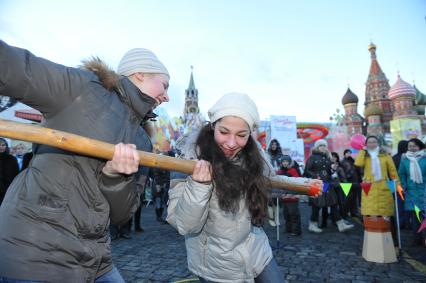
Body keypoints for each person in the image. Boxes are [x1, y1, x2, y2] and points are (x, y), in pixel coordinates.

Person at [0, 40, 170, 282]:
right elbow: (19, 68)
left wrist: (116, 176)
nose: (167, 96)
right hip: (35, 249)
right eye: (164, 85)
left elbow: (123, 214)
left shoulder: (142, 141)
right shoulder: (83, 89)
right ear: (140, 73)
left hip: (96, 257)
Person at [166, 93, 321, 282]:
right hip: (218, 266)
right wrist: (199, 185)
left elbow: (270, 183)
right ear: (213, 125)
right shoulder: (188, 158)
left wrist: (304, 185)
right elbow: (184, 225)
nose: (231, 143)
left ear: (250, 134)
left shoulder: (253, 158)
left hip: (256, 252)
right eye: (224, 132)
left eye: (241, 135)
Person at [304, 139, 354, 233]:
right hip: (317, 184)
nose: (323, 147)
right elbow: (306, 171)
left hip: (327, 184)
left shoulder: (328, 158)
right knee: (317, 205)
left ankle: (340, 224)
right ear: (317, 147)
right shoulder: (312, 158)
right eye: (321, 146)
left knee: (333, 204)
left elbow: (329, 171)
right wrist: (315, 176)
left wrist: (332, 170)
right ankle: (313, 223)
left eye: (324, 146)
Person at [354, 136, 399, 232]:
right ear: (366, 144)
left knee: (385, 213)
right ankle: (372, 239)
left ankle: (391, 239)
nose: (372, 144)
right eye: (369, 142)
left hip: (384, 186)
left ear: (378, 143)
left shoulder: (385, 155)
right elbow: (358, 163)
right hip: (369, 187)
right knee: (371, 213)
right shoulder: (365, 156)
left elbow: (392, 171)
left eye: (374, 142)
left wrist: (397, 185)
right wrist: (362, 150)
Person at [398, 138, 426, 246]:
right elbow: (402, 174)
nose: (412, 148)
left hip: (424, 190)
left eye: (414, 146)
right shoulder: (405, 160)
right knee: (416, 217)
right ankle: (417, 238)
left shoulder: (424, 158)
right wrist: (404, 186)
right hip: (411, 192)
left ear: (419, 147)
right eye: (410, 146)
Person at [276, 155, 302, 236]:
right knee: (286, 214)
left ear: (289, 162)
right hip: (284, 197)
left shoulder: (293, 171)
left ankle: (296, 231)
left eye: (286, 161)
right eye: (283, 162)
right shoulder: (280, 172)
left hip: (292, 196)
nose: (285, 163)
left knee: (293, 214)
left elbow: (297, 183)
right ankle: (288, 229)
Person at [266, 139, 284, 227]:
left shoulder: (281, 156)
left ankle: (276, 219)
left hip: (278, 179)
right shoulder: (267, 155)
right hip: (269, 180)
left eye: (275, 144)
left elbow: (284, 166)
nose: (274, 146)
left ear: (277, 145)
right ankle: (271, 218)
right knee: (270, 201)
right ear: (270, 145)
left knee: (277, 201)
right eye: (272, 144)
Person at [340, 149, 361, 218]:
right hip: (346, 182)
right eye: (347, 153)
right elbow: (342, 172)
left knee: (354, 199)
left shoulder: (353, 161)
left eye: (350, 153)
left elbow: (358, 170)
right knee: (347, 199)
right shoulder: (342, 162)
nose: (349, 154)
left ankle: (353, 212)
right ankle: (344, 213)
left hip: (355, 181)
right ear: (344, 154)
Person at [0, 138, 20, 206]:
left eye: (3, 145)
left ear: (6, 146)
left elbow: (17, 174)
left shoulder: (12, 159)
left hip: (8, 190)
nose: (1, 147)